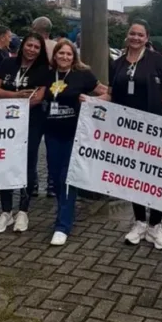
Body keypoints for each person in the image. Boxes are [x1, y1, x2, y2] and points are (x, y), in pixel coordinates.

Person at [103, 20, 162, 250]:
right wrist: (90, 102)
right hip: (127, 130)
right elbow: (110, 94)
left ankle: (155, 226)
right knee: (134, 177)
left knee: (156, 177)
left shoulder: (157, 61)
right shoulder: (116, 64)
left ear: (147, 37)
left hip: (155, 128)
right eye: (132, 34)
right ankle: (139, 223)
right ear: (127, 37)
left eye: (140, 34)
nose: (135, 38)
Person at [44, 39, 106, 246]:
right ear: (55, 56)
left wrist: (93, 101)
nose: (64, 57)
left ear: (74, 57)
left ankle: (62, 225)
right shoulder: (47, 74)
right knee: (54, 176)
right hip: (52, 134)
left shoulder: (83, 75)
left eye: (69, 54)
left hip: (76, 134)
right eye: (61, 53)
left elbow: (106, 92)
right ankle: (65, 211)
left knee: (67, 177)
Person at [0, 33, 50, 234]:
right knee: (4, 162)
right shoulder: (7, 63)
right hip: (6, 123)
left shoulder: (42, 69)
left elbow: (37, 99)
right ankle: (6, 211)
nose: (32, 50)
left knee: (28, 163)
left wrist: (13, 99)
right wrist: (16, 96)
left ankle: (23, 210)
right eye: (29, 45)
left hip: (32, 122)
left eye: (36, 47)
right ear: (23, 45)